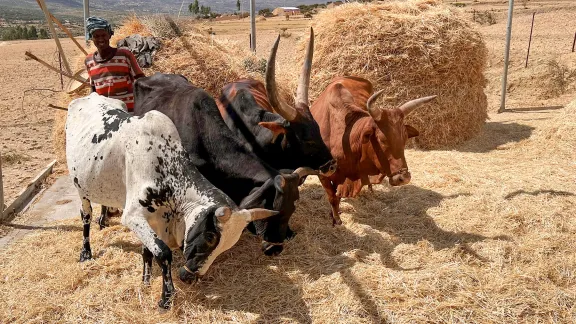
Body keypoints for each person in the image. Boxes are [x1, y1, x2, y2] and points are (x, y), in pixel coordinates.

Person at [84, 16, 145, 113]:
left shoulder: (124, 55)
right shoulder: (89, 61)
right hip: (105, 114)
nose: (100, 39)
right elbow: (93, 88)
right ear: (91, 38)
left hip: (128, 112)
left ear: (109, 35)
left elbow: (140, 80)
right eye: (96, 36)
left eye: (103, 35)